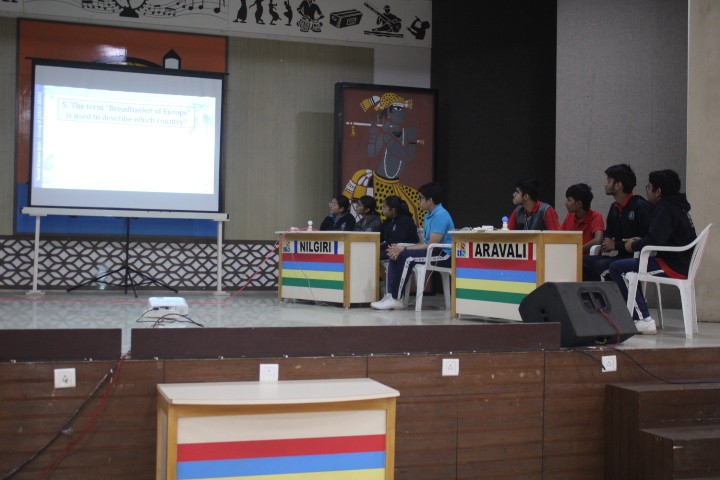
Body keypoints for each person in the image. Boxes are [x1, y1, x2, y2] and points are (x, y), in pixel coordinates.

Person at [608, 169, 696, 334]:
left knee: (618, 268)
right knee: (625, 267)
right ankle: (639, 315)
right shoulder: (677, 207)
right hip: (681, 262)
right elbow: (659, 238)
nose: (647, 190)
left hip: (672, 266)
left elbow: (655, 241)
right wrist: (640, 241)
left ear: (658, 191)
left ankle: (643, 319)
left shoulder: (665, 208)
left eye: (649, 187)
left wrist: (634, 245)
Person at [371, 183, 454, 310]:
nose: (418, 201)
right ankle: (391, 295)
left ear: (430, 200)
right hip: (432, 251)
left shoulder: (440, 215)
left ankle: (396, 299)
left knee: (406, 256)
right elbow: (425, 243)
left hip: (443, 255)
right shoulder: (428, 216)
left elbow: (432, 244)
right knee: (395, 254)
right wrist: (400, 250)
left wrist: (404, 249)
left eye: (420, 198)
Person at [582, 164, 653, 280]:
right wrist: (606, 241)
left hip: (635, 259)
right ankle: (590, 293)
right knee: (582, 262)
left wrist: (615, 245)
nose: (605, 184)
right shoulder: (614, 208)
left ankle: (612, 292)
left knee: (600, 265)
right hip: (619, 256)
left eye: (608, 181)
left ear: (618, 185)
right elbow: (609, 234)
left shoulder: (641, 206)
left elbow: (646, 240)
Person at [560, 183, 605, 255]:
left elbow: (598, 240)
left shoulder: (596, 216)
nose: (565, 203)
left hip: (588, 258)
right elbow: (559, 236)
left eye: (569, 200)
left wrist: (577, 250)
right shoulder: (570, 216)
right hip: (569, 256)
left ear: (579, 204)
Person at [379, 195, 419, 260]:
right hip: (392, 248)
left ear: (393, 210)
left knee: (374, 254)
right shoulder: (388, 220)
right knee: (371, 250)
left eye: (384, 207)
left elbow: (397, 242)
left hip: (404, 250)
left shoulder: (405, 221)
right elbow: (381, 236)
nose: (382, 209)